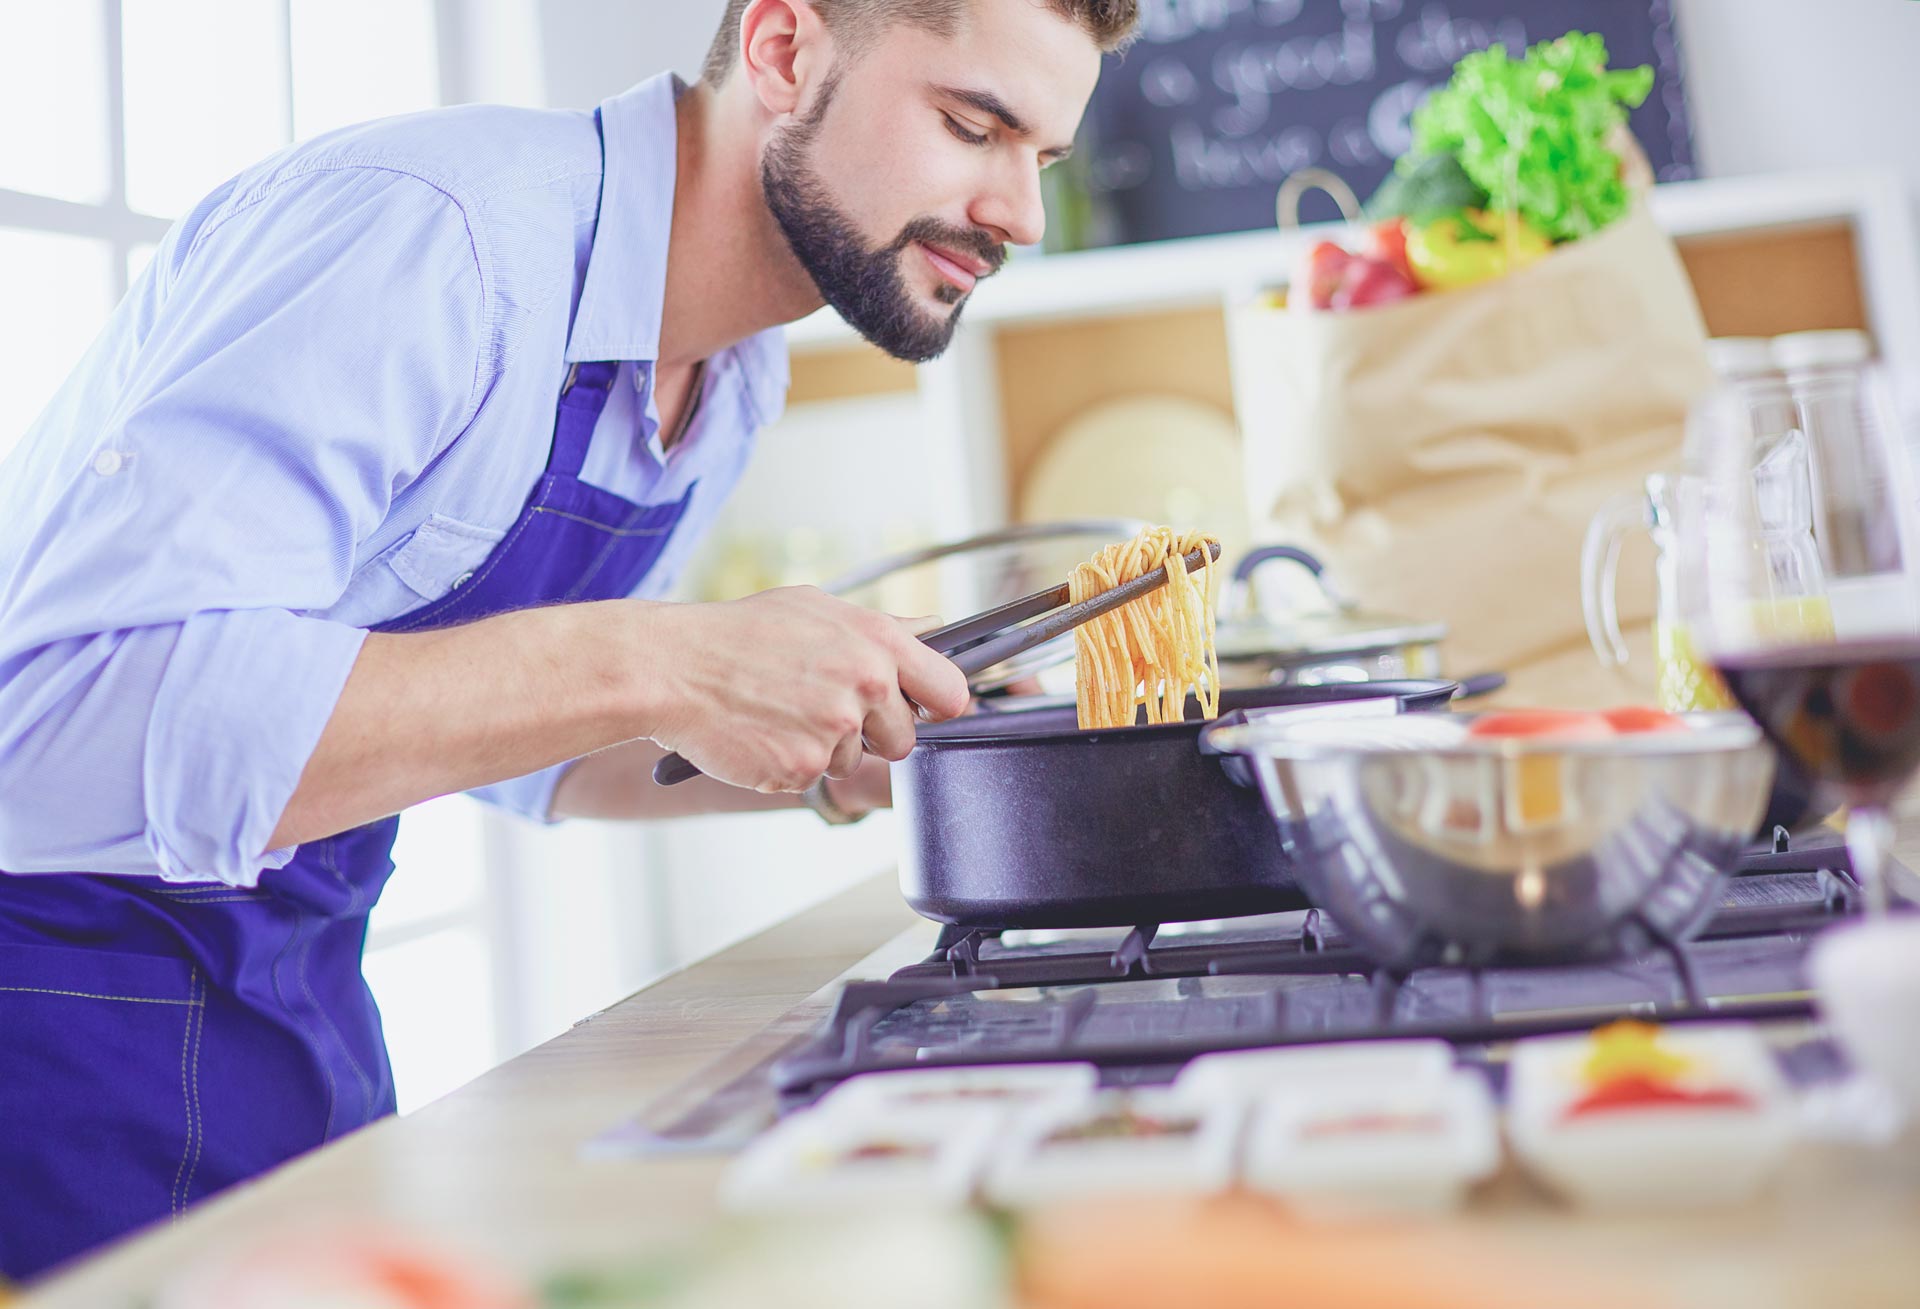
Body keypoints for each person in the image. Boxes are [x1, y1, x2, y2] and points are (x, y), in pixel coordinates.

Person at [0, 0, 1138, 1279]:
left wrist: (826, 736)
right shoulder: (435, 238)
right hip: (49, 1040)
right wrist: (668, 657)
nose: (1023, 217)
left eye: (1039, 160)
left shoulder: (733, 371)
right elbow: (49, 728)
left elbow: (524, 749)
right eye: (972, 126)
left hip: (290, 1021)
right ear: (783, 51)